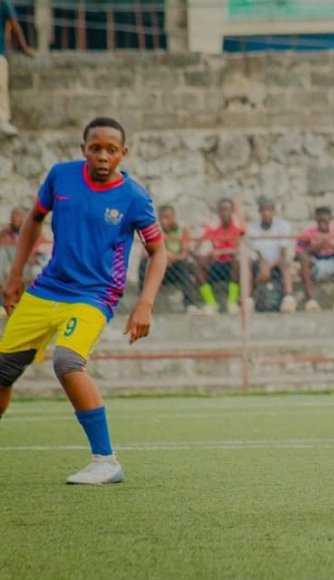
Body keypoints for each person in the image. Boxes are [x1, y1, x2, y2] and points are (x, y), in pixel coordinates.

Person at [0, 117, 167, 483]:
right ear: (83, 150)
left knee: (67, 361)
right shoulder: (62, 176)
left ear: (124, 153)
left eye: (111, 150)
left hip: (94, 296)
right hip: (46, 290)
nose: (103, 156)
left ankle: (106, 461)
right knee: (2, 371)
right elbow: (33, 219)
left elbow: (159, 251)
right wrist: (15, 276)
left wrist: (146, 303)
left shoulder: (135, 197)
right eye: (96, 148)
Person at [139, 204, 197, 313]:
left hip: (174, 267)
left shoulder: (182, 231)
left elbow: (184, 254)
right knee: (143, 265)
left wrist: (168, 256)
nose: (164, 221)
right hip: (160, 268)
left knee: (184, 266)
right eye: (162, 218)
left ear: (173, 217)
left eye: (167, 217)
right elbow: (145, 254)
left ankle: (189, 304)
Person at [296, 206, 334, 312]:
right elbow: (299, 253)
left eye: (325, 221)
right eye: (320, 221)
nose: (323, 224)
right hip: (316, 261)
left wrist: (330, 244)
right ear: (316, 220)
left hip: (333, 260)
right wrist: (317, 246)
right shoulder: (308, 232)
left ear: (330, 220)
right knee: (304, 260)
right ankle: (311, 301)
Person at [246, 196, 296, 313]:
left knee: (284, 263)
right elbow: (257, 251)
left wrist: (268, 267)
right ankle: (248, 299)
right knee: (246, 262)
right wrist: (264, 267)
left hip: (277, 260)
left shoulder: (283, 226)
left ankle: (289, 298)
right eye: (263, 210)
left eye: (269, 210)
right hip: (260, 261)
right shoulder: (253, 227)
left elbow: (282, 253)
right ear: (259, 212)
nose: (266, 213)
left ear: (273, 211)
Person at [195, 198, 244, 315]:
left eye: (227, 210)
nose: (225, 213)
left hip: (230, 265)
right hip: (216, 264)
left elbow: (240, 248)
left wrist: (222, 251)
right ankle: (211, 303)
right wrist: (204, 255)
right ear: (218, 213)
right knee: (197, 266)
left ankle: (232, 303)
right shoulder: (213, 228)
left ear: (232, 211)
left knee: (237, 262)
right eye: (222, 210)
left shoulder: (238, 228)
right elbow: (197, 246)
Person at [0, 0, 36, 137]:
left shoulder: (3, 4)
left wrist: (24, 47)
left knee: (1, 86)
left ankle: (2, 120)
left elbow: (15, 26)